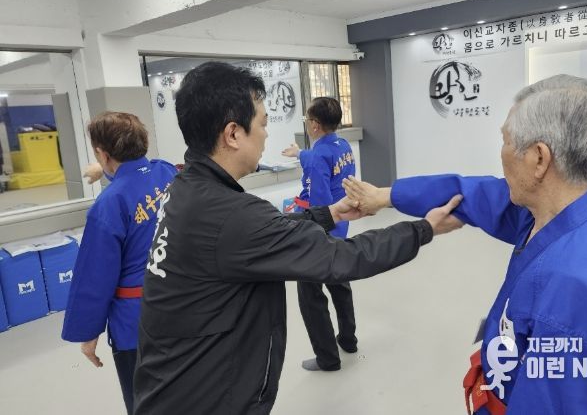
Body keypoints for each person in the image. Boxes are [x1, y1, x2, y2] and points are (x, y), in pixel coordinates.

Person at [133, 61, 465, 414]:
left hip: (172, 385)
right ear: (233, 134)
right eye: (263, 124)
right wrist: (423, 228)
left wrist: (329, 214)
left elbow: (261, 231)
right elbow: (344, 257)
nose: (266, 135)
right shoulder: (233, 214)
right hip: (206, 399)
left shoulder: (185, 189)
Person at [344, 75, 587, 414]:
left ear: (539, 159)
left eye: (506, 141)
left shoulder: (570, 289)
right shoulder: (559, 212)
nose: (501, 154)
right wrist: (385, 196)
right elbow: (473, 192)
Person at [61, 112, 177, 414]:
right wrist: (107, 171)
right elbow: (138, 177)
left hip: (137, 323)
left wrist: (88, 333)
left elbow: (95, 277)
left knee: (147, 401)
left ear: (103, 154)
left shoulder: (108, 205)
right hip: (181, 305)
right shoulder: (166, 172)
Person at [281, 97, 358, 372]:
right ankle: (348, 340)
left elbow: (320, 203)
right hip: (341, 228)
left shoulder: (317, 156)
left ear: (314, 125)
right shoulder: (343, 145)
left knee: (310, 294)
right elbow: (322, 162)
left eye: (306, 119)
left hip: (320, 231)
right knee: (340, 283)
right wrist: (299, 153)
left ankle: (327, 358)